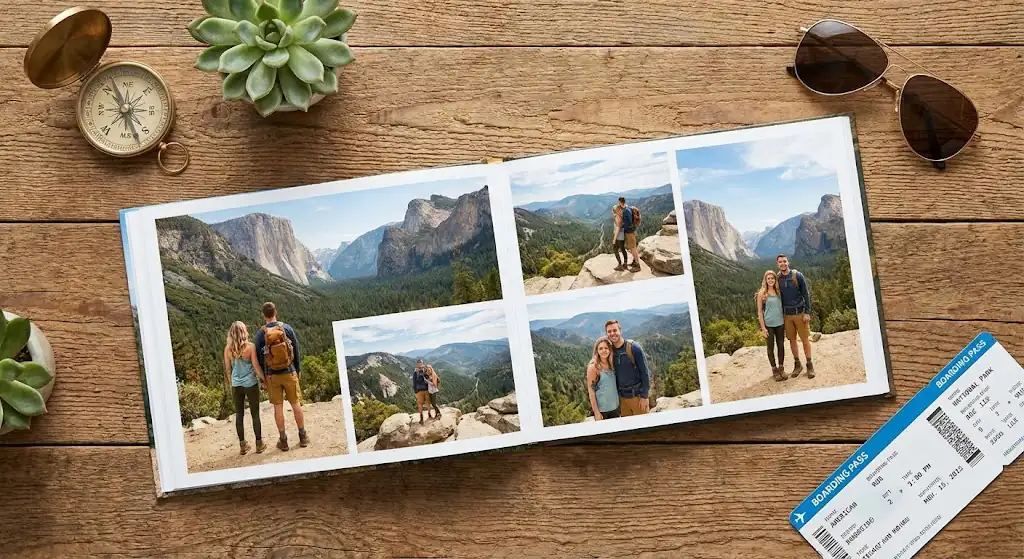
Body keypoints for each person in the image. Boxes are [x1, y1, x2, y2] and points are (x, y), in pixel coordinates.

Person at [254, 301, 309, 451]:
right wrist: (297, 369)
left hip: (272, 376)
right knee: (296, 404)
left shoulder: (260, 334)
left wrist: (263, 378)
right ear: (275, 312)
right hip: (289, 371)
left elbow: (259, 359)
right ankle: (302, 436)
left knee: (278, 408)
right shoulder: (286, 328)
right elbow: (296, 349)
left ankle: (283, 440)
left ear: (264, 315)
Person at [223, 321, 267, 455]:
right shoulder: (250, 347)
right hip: (251, 384)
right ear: (244, 332)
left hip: (236, 385)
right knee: (255, 414)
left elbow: (228, 369)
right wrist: (264, 379)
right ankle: (259, 444)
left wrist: (232, 383)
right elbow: (256, 366)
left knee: (239, 415)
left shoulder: (228, 349)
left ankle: (243, 446)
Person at [776, 255, 814, 379]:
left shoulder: (797, 276)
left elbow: (806, 294)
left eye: (784, 261)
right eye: (780, 262)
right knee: (792, 340)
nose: (782, 264)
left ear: (788, 262)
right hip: (787, 316)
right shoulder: (778, 278)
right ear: (778, 264)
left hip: (800, 313)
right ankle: (797, 364)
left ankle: (809, 364)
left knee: (805, 340)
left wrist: (807, 312)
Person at [604, 319, 650, 416]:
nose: (612, 333)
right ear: (606, 333)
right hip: (622, 399)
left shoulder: (633, 348)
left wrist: (644, 396)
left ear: (620, 330)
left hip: (637, 397)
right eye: (609, 331)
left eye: (615, 330)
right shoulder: (610, 352)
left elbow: (645, 372)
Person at [756, 271, 787, 383]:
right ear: (766, 280)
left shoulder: (778, 291)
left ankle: (781, 368)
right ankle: (774, 370)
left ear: (775, 280)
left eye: (772, 278)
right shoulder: (762, 294)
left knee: (781, 346)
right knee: (770, 347)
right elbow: (759, 312)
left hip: (780, 323)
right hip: (768, 325)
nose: (770, 280)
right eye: (768, 278)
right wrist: (763, 328)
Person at [586, 337, 621, 420]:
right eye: (600, 348)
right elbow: (591, 391)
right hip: (602, 410)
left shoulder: (612, 365)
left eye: (606, 348)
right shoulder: (593, 367)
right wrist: (596, 412)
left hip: (615, 408)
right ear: (597, 351)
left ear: (610, 350)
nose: (604, 350)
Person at [617, 197, 642, 272]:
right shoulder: (628, 208)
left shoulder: (626, 210)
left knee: (633, 248)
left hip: (630, 232)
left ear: (620, 202)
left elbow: (629, 223)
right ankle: (635, 262)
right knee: (632, 248)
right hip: (631, 231)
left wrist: (622, 226)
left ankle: (638, 266)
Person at [412, 360, 431, 424]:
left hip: (424, 389)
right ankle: (422, 417)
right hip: (421, 390)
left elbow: (428, 377)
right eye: (419, 363)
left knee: (426, 403)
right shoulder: (416, 372)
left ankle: (428, 414)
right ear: (417, 364)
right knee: (422, 404)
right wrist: (415, 391)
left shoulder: (423, 371)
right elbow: (414, 382)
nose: (420, 364)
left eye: (421, 363)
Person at [611, 204, 629, 272]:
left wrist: (614, 239)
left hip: (618, 236)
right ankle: (625, 263)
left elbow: (617, 229)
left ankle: (620, 265)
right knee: (623, 249)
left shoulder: (617, 217)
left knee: (615, 249)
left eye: (613, 210)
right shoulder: (622, 215)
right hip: (623, 235)